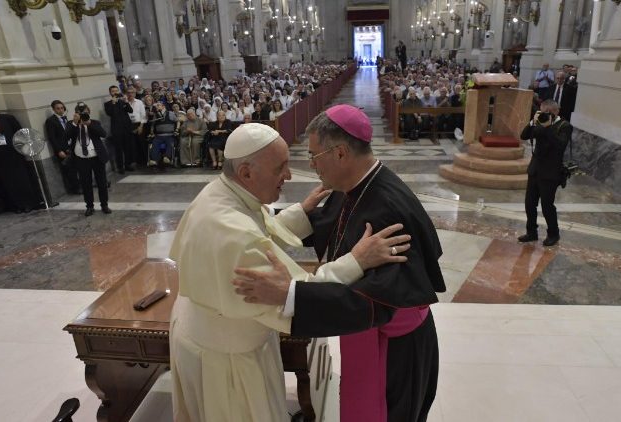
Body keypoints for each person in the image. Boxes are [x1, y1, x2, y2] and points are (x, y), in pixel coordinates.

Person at [168, 123, 409, 422]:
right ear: (246, 173)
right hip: (228, 359)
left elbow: (260, 227)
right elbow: (293, 295)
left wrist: (301, 211)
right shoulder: (232, 231)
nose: (290, 176)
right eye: (280, 168)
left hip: (208, 331)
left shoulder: (222, 192)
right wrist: (356, 260)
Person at [233, 105, 445, 422]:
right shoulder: (356, 186)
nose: (311, 165)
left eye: (314, 155)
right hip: (378, 339)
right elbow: (328, 225)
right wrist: (278, 222)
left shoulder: (386, 209)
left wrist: (290, 295)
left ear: (341, 153)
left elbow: (370, 302)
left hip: (396, 351)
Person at [0, 99, 43, 213]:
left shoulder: (8, 118)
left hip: (15, 156)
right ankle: (17, 205)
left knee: (22, 180)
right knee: (8, 184)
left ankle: (29, 203)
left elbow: (21, 135)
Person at [518, 100, 571, 246]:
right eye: (541, 112)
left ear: (556, 112)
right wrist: (532, 122)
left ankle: (554, 234)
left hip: (550, 172)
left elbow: (560, 146)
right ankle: (531, 232)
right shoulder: (539, 123)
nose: (544, 115)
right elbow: (523, 136)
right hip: (535, 169)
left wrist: (548, 127)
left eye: (547, 112)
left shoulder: (564, 126)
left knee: (547, 205)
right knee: (529, 203)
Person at [65, 103, 111, 217]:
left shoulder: (94, 122)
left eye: (85, 112)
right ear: (76, 113)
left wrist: (89, 123)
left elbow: (103, 134)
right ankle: (89, 206)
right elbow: (65, 137)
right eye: (80, 113)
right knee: (86, 184)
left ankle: (104, 205)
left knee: (102, 183)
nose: (83, 115)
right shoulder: (71, 125)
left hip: (97, 158)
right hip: (81, 159)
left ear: (89, 112)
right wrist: (75, 124)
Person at [44, 100, 80, 194]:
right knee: (69, 170)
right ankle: (74, 189)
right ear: (54, 109)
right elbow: (52, 138)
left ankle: (79, 186)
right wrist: (59, 150)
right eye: (58, 108)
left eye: (62, 108)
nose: (60, 110)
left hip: (70, 147)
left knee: (75, 168)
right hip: (62, 149)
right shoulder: (51, 121)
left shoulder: (65, 118)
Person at [104, 85, 134, 174]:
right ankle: (120, 167)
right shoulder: (108, 104)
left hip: (126, 128)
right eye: (113, 91)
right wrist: (113, 103)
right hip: (116, 130)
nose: (115, 92)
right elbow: (110, 113)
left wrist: (126, 102)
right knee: (118, 149)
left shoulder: (123, 101)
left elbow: (130, 110)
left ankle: (128, 164)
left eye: (116, 90)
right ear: (110, 93)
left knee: (127, 147)